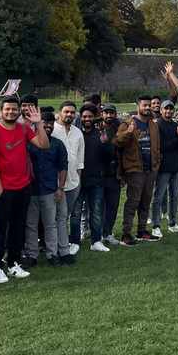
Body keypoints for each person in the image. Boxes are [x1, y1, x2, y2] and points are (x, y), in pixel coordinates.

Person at [0, 96, 49, 283]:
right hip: (3, 189)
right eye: (7, 109)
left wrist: (38, 124)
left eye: (14, 109)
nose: (11, 112)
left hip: (23, 187)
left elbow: (44, 145)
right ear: (1, 111)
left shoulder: (23, 129)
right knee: (0, 229)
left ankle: (13, 263)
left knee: (18, 227)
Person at [23, 112, 69, 267]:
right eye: (44, 123)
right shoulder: (29, 143)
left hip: (50, 189)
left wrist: (60, 188)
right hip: (30, 190)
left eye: (50, 123)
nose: (47, 126)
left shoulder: (58, 144)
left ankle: (52, 253)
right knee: (31, 224)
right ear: (38, 124)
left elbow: (63, 168)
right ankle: (32, 255)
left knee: (50, 224)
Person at [115, 96, 162, 245]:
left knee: (146, 201)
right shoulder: (128, 123)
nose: (148, 108)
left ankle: (142, 231)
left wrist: (156, 163)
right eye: (145, 105)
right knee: (133, 202)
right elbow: (118, 142)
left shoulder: (153, 124)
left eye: (149, 105)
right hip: (135, 169)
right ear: (138, 106)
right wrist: (129, 132)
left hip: (150, 169)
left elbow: (157, 146)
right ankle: (126, 234)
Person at [70, 104, 111, 253]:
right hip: (77, 180)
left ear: (94, 118)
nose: (87, 119)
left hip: (96, 180)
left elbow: (109, 156)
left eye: (90, 116)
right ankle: (74, 242)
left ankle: (96, 241)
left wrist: (105, 143)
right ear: (80, 117)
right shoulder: (75, 134)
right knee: (75, 213)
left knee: (96, 212)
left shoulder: (100, 134)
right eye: (85, 116)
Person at [52, 101, 85, 255]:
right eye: (66, 112)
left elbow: (80, 160)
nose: (69, 115)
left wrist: (78, 181)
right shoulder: (51, 130)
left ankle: (62, 244)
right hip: (55, 183)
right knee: (57, 216)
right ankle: (57, 246)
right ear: (60, 113)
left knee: (65, 216)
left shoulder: (78, 132)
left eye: (72, 112)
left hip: (73, 183)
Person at [151, 100, 178, 236]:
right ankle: (156, 225)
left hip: (176, 166)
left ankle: (172, 223)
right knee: (158, 197)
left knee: (174, 196)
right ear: (161, 110)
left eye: (171, 109)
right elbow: (162, 146)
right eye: (166, 109)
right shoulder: (157, 125)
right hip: (163, 167)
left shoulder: (176, 124)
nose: (169, 112)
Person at [100, 105, 122, 246]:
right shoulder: (97, 128)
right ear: (102, 114)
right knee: (98, 206)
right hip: (100, 173)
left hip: (115, 173)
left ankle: (108, 232)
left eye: (111, 113)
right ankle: (99, 233)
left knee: (113, 205)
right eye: (106, 113)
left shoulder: (120, 128)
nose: (109, 115)